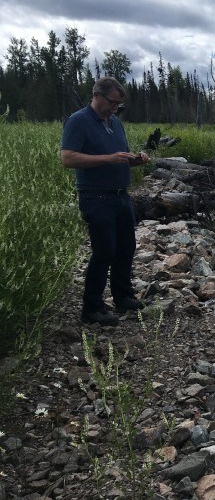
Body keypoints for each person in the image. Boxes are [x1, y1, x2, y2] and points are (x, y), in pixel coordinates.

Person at [61, 77, 150, 326]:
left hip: (121, 195)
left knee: (126, 248)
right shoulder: (78, 121)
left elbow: (118, 156)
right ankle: (92, 309)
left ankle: (123, 296)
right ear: (97, 96)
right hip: (95, 197)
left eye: (118, 105)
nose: (115, 108)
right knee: (104, 252)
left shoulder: (115, 123)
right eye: (112, 103)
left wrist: (134, 159)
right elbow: (67, 158)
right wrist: (107, 158)